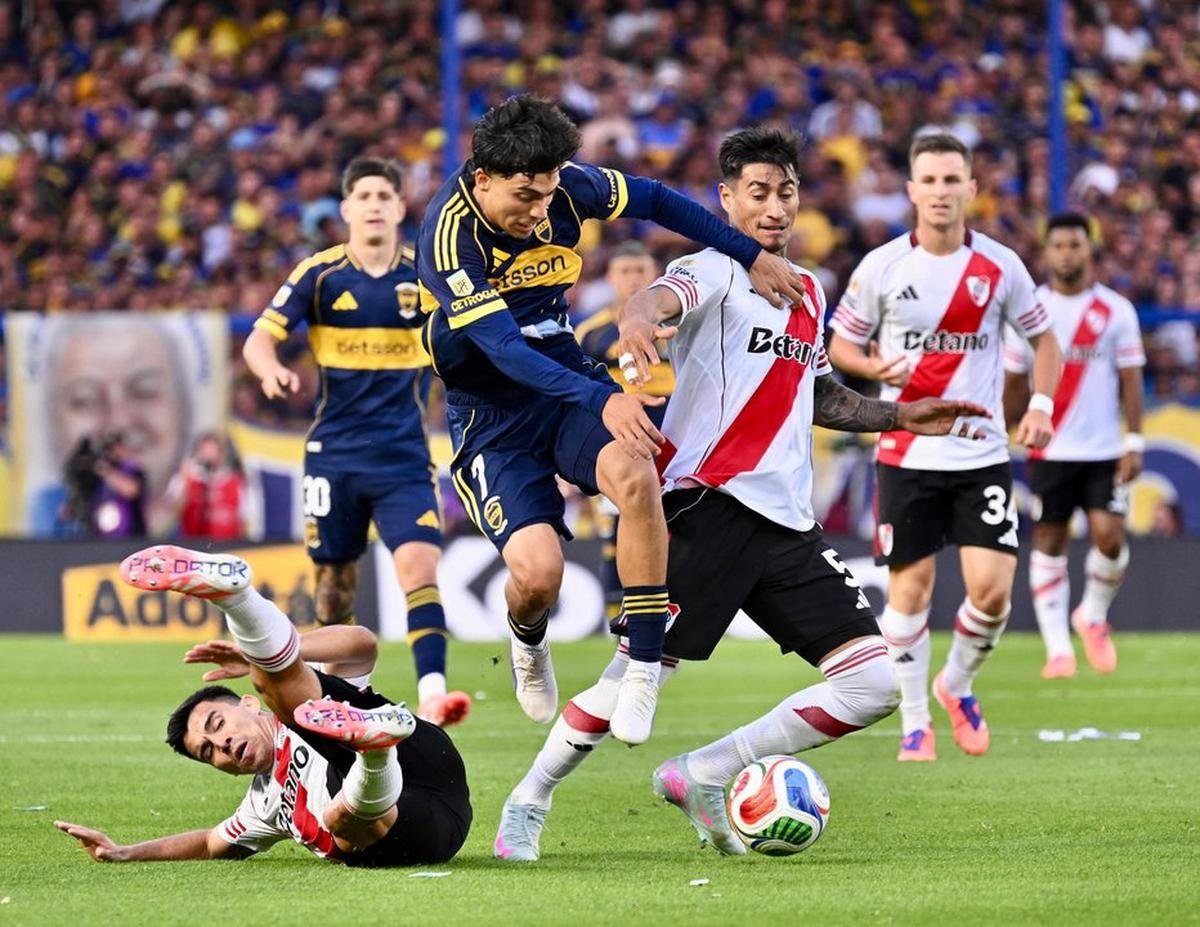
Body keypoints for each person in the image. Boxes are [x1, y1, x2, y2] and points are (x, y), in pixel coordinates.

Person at [492, 127, 990, 861]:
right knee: (626, 681)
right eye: (757, 193)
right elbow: (660, 299)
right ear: (727, 200)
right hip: (707, 508)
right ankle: (528, 800)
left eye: (786, 192)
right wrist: (636, 316)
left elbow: (820, 394)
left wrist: (900, 415)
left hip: (788, 523)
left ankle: (704, 771)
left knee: (874, 684)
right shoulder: (714, 269)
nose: (774, 207)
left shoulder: (809, 290)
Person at [417, 95, 814, 745]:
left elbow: (656, 199)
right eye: (525, 197)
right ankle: (528, 639)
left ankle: (643, 667)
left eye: (548, 194)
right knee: (538, 577)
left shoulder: (565, 184)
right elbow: (506, 351)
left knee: (637, 474)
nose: (540, 211)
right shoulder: (447, 239)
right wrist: (602, 398)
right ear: (483, 179)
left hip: (564, 379)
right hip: (492, 412)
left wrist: (747, 252)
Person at [827, 133, 1063, 762]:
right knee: (909, 592)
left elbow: (1045, 341)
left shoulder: (1001, 266)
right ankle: (914, 723)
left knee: (992, 592)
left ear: (971, 189)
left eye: (951, 180)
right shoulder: (882, 266)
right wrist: (871, 363)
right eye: (929, 180)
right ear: (911, 190)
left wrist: (1041, 406)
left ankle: (955, 685)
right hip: (905, 452)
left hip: (980, 452)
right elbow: (840, 344)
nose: (940, 191)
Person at [54, 544, 471, 867]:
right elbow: (209, 843)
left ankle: (235, 599)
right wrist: (123, 852)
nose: (222, 745)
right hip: (414, 830)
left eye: (217, 724)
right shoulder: (262, 806)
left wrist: (274, 653)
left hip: (424, 756)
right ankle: (374, 749)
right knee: (337, 819)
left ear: (249, 705)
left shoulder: (297, 701)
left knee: (293, 700)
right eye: (208, 752)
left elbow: (361, 645)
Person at [243, 156, 470, 727]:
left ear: (399, 207)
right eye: (363, 196)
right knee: (333, 589)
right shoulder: (320, 274)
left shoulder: (427, 274)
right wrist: (270, 370)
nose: (373, 205)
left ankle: (434, 695)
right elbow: (258, 340)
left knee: (419, 567)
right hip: (335, 456)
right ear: (346, 209)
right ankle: (338, 699)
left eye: (383, 196)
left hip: (403, 456)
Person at [1002, 213, 1145, 679]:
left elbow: (1130, 380)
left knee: (1111, 536)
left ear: (1089, 250)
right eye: (1059, 245)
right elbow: (1014, 380)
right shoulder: (1031, 311)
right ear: (1047, 253)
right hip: (1050, 448)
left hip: (1103, 449)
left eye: (1075, 245)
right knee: (1049, 539)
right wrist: (1003, 427)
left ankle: (1092, 615)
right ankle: (1058, 649)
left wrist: (1134, 441)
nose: (1067, 253)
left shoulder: (1115, 310)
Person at [575, 241, 670, 622]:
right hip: (621, 443)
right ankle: (618, 622)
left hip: (676, 440)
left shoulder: (678, 327)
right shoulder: (591, 332)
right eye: (625, 271)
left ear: (655, 274)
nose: (633, 279)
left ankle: (670, 617)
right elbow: (578, 395)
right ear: (610, 277)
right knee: (616, 534)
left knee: (677, 528)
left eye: (640, 270)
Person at [168, 431, 247, 540]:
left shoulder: (235, 483)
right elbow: (174, 510)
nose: (209, 455)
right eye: (205, 451)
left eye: (212, 451)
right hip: (193, 543)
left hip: (227, 544)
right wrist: (185, 479)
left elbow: (244, 519)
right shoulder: (187, 478)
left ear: (221, 454)